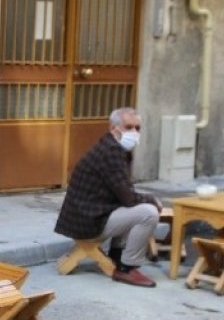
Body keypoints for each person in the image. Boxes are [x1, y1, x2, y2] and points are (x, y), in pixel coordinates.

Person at [54, 108, 162, 288]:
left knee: (137, 208)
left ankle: (117, 255)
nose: (134, 132)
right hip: (87, 221)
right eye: (129, 127)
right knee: (148, 213)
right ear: (113, 128)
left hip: (87, 215)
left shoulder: (114, 147)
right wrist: (152, 199)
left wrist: (143, 199)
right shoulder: (111, 152)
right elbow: (128, 198)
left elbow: (124, 193)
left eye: (137, 128)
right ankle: (127, 268)